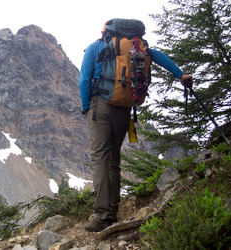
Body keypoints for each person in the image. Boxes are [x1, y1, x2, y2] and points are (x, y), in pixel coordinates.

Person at [79, 20, 193, 232]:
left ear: (105, 32)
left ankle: (104, 216)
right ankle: (112, 208)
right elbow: (158, 56)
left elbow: (84, 79)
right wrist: (181, 75)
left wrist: (87, 107)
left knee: (100, 157)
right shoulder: (138, 47)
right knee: (113, 157)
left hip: (100, 106)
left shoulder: (97, 46)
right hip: (125, 108)